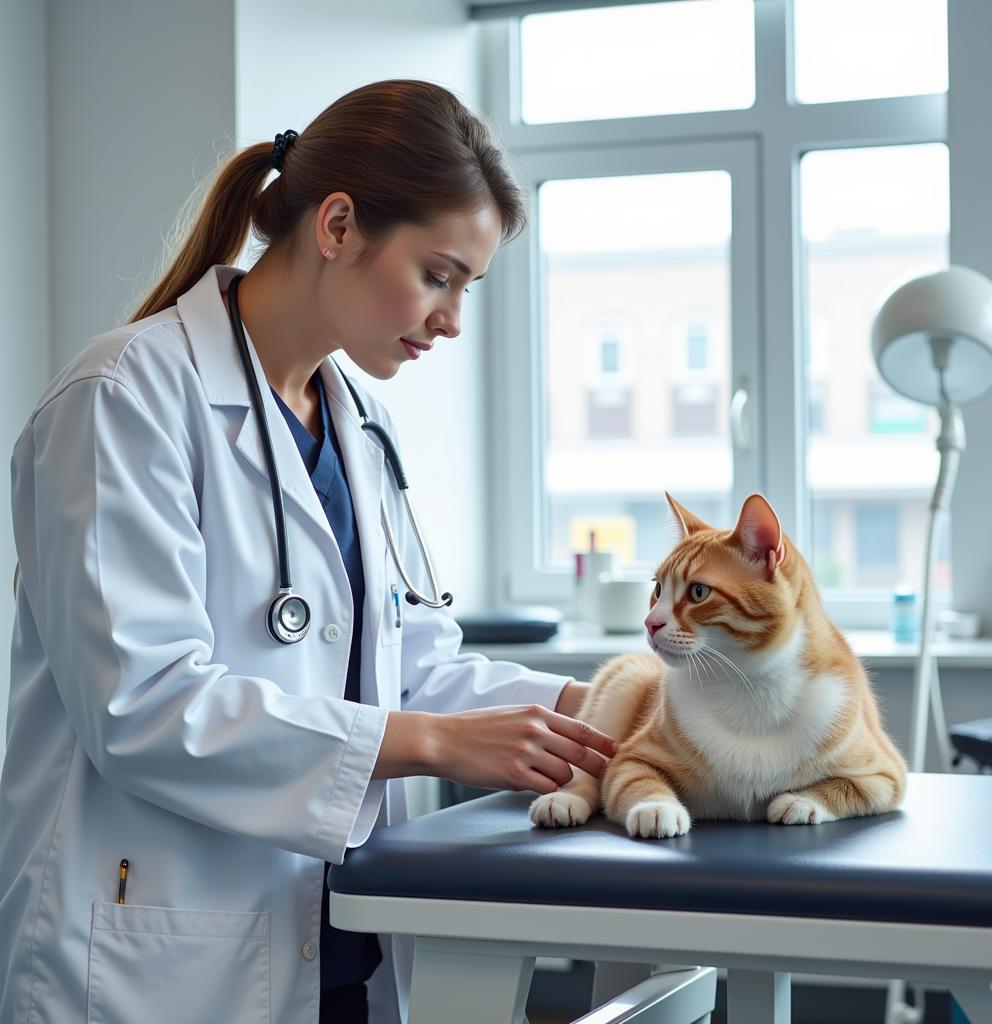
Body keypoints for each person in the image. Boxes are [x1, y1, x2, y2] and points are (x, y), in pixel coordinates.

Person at [0, 79, 619, 1024]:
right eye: (439, 274)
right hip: (157, 957)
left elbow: (408, 667)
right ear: (337, 224)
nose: (451, 319)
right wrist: (432, 743)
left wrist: (598, 708)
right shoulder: (124, 399)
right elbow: (143, 705)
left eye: (466, 287)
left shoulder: (357, 423)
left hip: (333, 948)